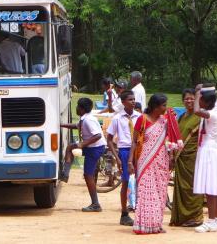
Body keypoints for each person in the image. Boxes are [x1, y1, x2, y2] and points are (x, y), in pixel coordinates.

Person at [128, 94, 183, 234]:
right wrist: (130, 161)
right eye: (163, 105)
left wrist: (171, 157)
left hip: (161, 161)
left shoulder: (165, 121)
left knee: (160, 192)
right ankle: (144, 225)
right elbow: (134, 141)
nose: (166, 108)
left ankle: (156, 224)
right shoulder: (143, 119)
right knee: (146, 192)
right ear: (155, 106)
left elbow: (170, 141)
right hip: (145, 160)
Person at [60, 98, 107, 212]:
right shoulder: (84, 119)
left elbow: (97, 135)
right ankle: (65, 174)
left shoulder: (88, 120)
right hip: (91, 147)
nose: (76, 108)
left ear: (81, 109)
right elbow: (76, 126)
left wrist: (82, 143)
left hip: (95, 149)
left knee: (88, 175)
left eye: (77, 106)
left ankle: (95, 204)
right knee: (70, 147)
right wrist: (61, 125)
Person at [192, 85, 217, 233]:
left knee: (211, 188)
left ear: (206, 102)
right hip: (206, 149)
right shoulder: (210, 112)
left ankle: (213, 220)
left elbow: (196, 111)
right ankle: (213, 220)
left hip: (209, 150)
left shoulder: (213, 114)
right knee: (210, 188)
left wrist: (197, 92)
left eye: (201, 100)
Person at [169, 88, 204, 227]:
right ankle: (183, 217)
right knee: (182, 188)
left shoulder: (200, 116)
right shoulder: (181, 117)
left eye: (191, 98)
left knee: (193, 186)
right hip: (181, 158)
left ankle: (196, 217)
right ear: (183, 101)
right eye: (186, 99)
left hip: (193, 156)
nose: (189, 101)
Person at [106, 90, 140, 226]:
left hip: (139, 150)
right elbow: (109, 139)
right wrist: (118, 158)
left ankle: (141, 211)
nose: (133, 102)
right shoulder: (117, 118)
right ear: (123, 102)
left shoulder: (140, 116)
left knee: (140, 180)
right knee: (125, 182)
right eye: (130, 99)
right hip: (125, 150)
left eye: (134, 99)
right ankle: (124, 213)